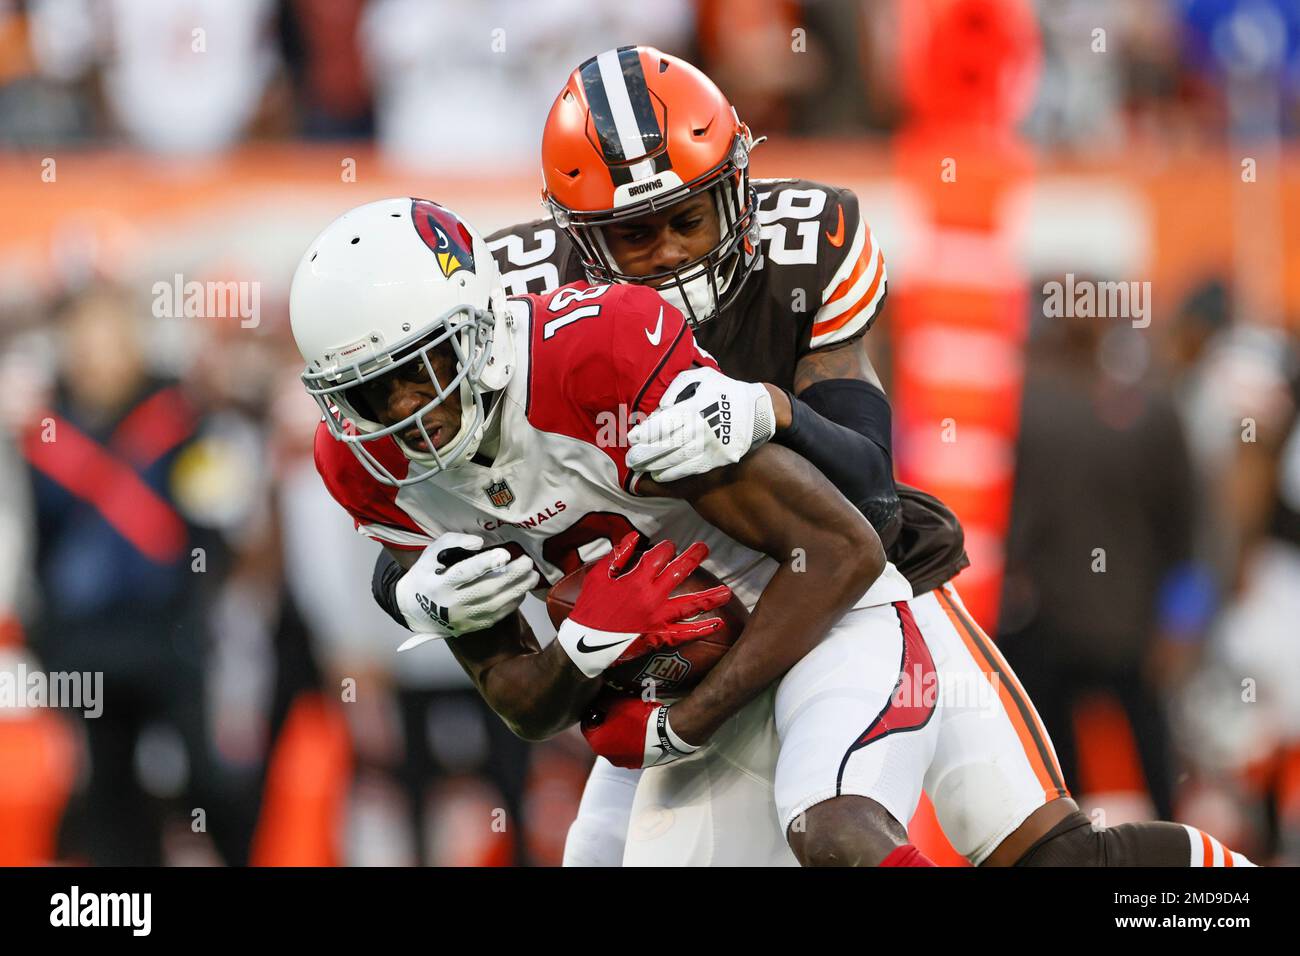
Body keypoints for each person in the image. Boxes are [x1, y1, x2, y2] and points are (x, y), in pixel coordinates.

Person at [297, 197, 1252, 867]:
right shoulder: (363, 464)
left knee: (902, 837)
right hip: (701, 664)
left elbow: (856, 526)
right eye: (370, 395)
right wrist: (472, 610)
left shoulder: (608, 344)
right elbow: (523, 696)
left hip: (840, 609)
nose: (407, 414)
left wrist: (768, 410)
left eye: (420, 370)